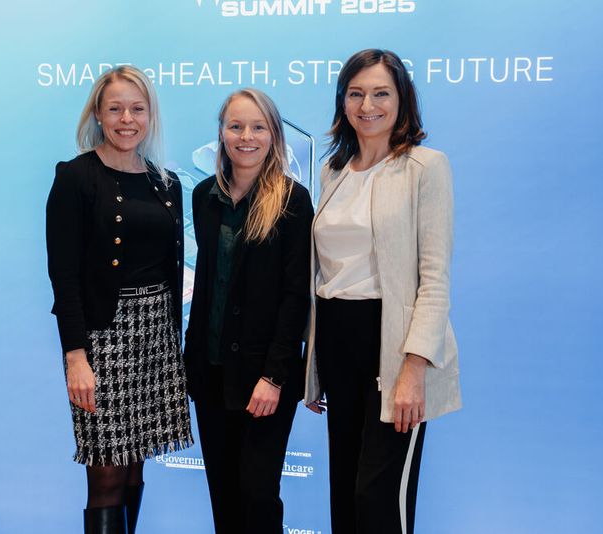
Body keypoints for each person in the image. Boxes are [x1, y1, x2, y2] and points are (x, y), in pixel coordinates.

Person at [303, 49, 462, 534]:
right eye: (355, 93)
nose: (367, 104)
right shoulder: (333, 170)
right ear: (342, 102)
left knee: (379, 500)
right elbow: (324, 271)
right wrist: (316, 364)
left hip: (394, 347)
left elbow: (434, 279)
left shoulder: (425, 167)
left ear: (402, 100)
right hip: (338, 340)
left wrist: (414, 368)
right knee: (345, 495)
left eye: (380, 93)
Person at [46, 65, 193, 534]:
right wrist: (75, 357)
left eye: (137, 108)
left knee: (135, 465)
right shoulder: (75, 177)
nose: (126, 118)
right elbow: (63, 277)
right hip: (104, 341)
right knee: (107, 472)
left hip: (155, 338)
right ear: (98, 114)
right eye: (115, 108)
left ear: (150, 115)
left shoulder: (166, 183)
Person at [184, 88, 314, 534]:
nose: (246, 136)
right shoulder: (204, 196)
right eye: (236, 126)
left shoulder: (293, 201)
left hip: (264, 379)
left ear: (274, 135)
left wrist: (275, 375)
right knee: (223, 494)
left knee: (257, 495)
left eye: (258, 126)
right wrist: (190, 362)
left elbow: (296, 296)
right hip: (212, 370)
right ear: (221, 133)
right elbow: (207, 286)